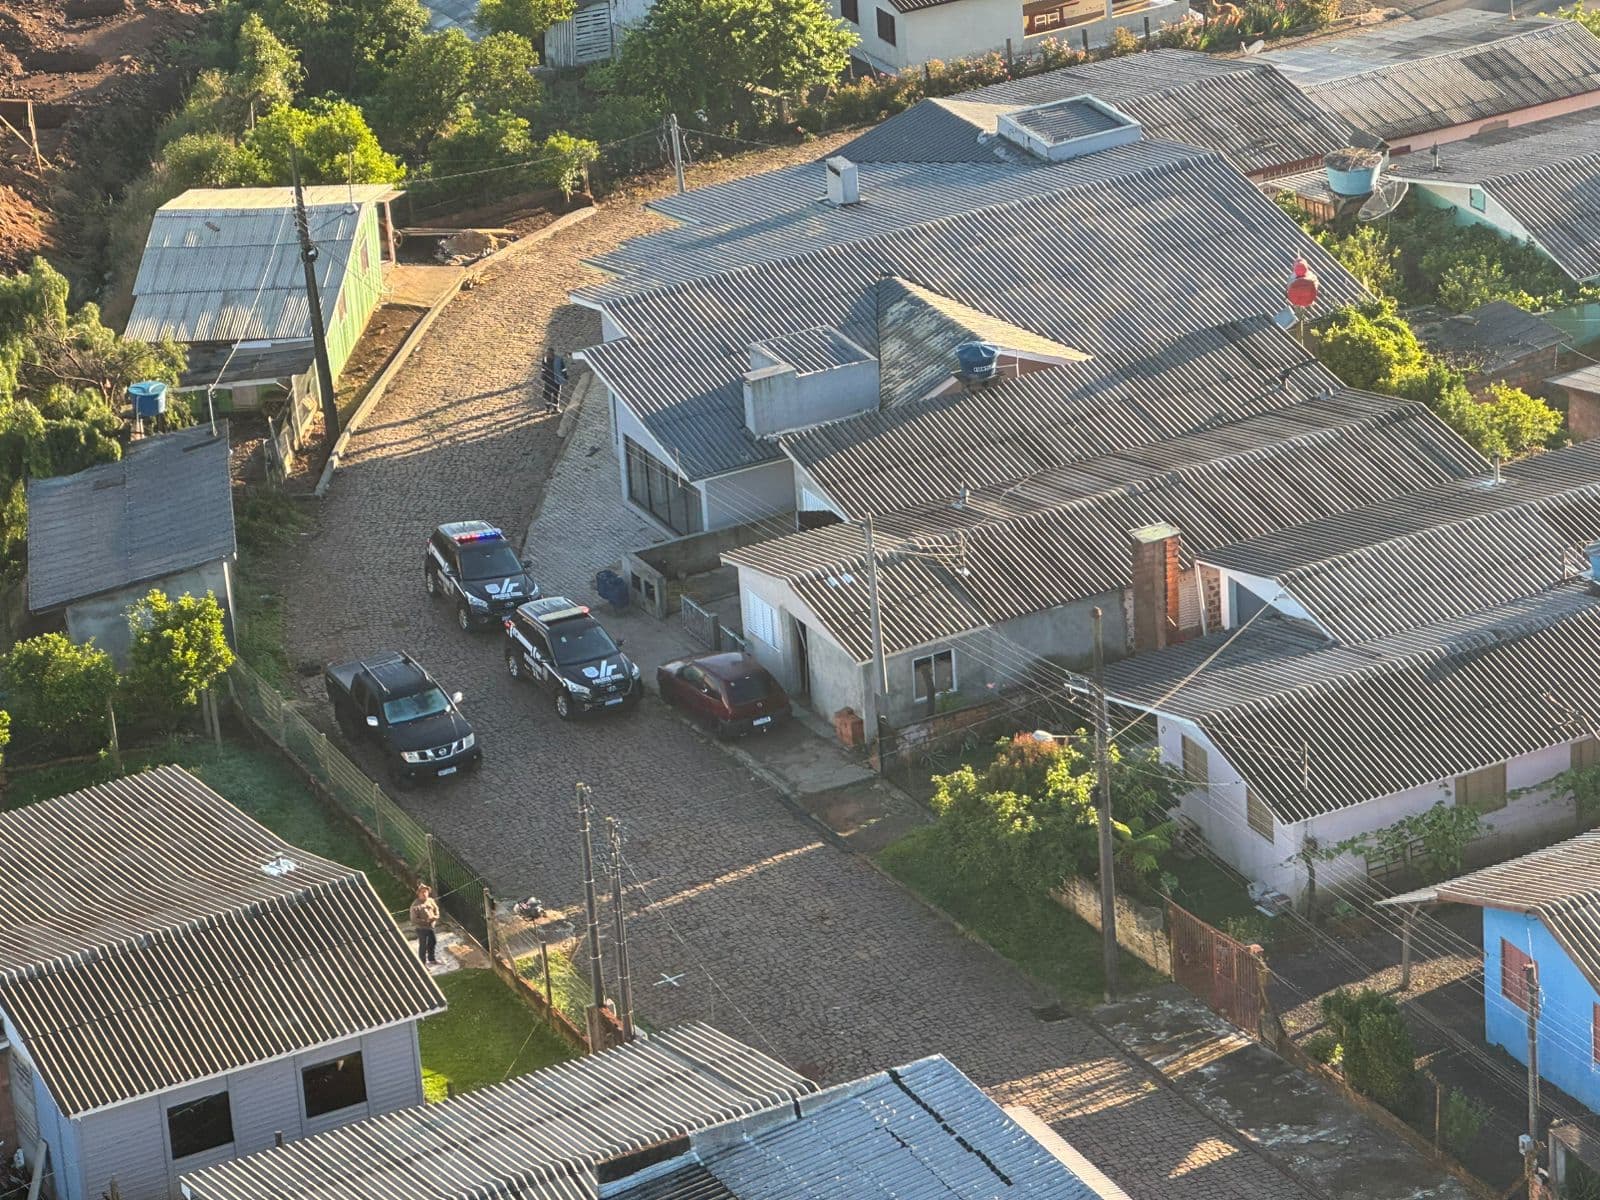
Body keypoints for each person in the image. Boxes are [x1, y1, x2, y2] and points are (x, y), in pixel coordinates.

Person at [410, 883, 440, 966]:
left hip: (431, 927)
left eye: (425, 892)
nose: (424, 894)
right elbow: (414, 919)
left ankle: (432, 959)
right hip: (421, 928)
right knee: (423, 945)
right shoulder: (415, 905)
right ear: (418, 893)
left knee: (433, 942)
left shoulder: (430, 900)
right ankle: (422, 964)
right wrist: (426, 921)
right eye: (422, 892)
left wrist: (436, 916)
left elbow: (436, 909)